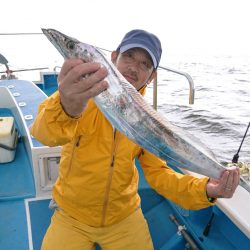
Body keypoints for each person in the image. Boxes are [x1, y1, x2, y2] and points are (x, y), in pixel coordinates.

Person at [30, 29, 240, 250]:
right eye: (129, 56)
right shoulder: (78, 95)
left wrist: (208, 190)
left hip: (123, 217)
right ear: (113, 57)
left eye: (145, 64)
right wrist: (67, 107)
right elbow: (45, 134)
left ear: (152, 76)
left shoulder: (149, 121)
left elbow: (160, 175)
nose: (134, 66)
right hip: (71, 215)